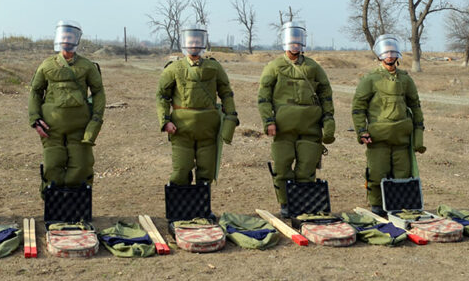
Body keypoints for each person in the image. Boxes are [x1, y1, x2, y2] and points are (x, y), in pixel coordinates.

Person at [257, 22, 335, 218]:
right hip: (283, 130)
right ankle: (285, 204)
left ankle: (304, 204)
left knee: (307, 170)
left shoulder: (313, 67)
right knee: (282, 169)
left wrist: (328, 121)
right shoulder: (274, 67)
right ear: (284, 42)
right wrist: (269, 121)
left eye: (298, 41)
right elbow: (263, 97)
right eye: (292, 41)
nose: (295, 45)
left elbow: (326, 94)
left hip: (310, 129)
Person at [28, 20, 105, 195]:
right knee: (53, 165)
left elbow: (98, 92)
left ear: (77, 39)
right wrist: (35, 120)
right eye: (64, 36)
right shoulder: (47, 65)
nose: (67, 40)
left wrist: (96, 120)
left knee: (81, 166)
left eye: (70, 36)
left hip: (80, 128)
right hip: (51, 129)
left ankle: (75, 204)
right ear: (58, 38)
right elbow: (35, 92)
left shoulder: (87, 66)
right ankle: (54, 203)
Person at [352, 34, 425, 217]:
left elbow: (415, 106)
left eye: (393, 52)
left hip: (401, 138)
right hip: (378, 138)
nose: (390, 56)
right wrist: (362, 131)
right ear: (379, 56)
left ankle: (399, 204)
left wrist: (418, 137)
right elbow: (358, 107)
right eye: (386, 53)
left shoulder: (405, 79)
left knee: (403, 175)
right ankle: (376, 205)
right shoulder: (370, 79)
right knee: (377, 173)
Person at [156, 25, 238, 185]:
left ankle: (202, 209)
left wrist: (231, 117)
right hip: (181, 130)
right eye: (190, 41)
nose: (194, 44)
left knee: (206, 172)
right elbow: (162, 96)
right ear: (184, 43)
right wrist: (165, 121)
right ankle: (179, 208)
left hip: (208, 130)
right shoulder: (174, 69)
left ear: (203, 42)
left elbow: (226, 93)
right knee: (180, 171)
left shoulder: (214, 67)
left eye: (197, 41)